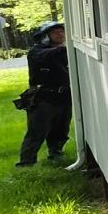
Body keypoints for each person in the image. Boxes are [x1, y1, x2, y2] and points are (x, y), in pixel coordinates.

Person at [17, 20, 71, 167]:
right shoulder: (37, 51)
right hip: (43, 98)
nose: (60, 34)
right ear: (46, 35)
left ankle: (56, 155)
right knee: (36, 132)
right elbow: (50, 54)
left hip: (63, 96)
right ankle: (26, 164)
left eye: (62, 31)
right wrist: (68, 46)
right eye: (56, 32)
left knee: (61, 130)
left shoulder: (64, 51)